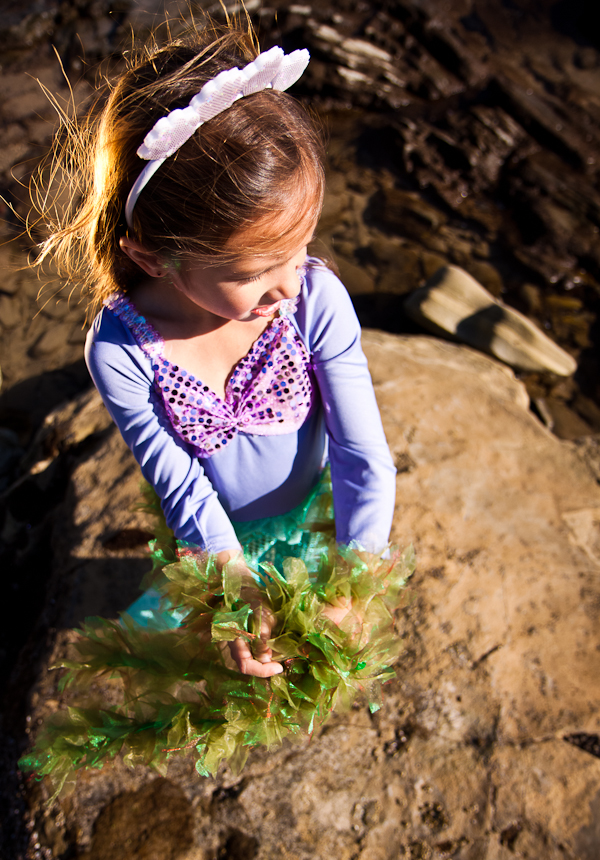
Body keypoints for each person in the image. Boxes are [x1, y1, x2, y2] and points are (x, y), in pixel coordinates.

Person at [21, 20, 413, 791]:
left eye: (301, 248)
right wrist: (229, 585)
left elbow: (364, 457)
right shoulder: (122, 350)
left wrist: (353, 577)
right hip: (218, 528)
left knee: (305, 612)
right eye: (261, 266)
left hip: (306, 505)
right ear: (151, 255)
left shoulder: (314, 302)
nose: (292, 283)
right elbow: (181, 484)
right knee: (212, 619)